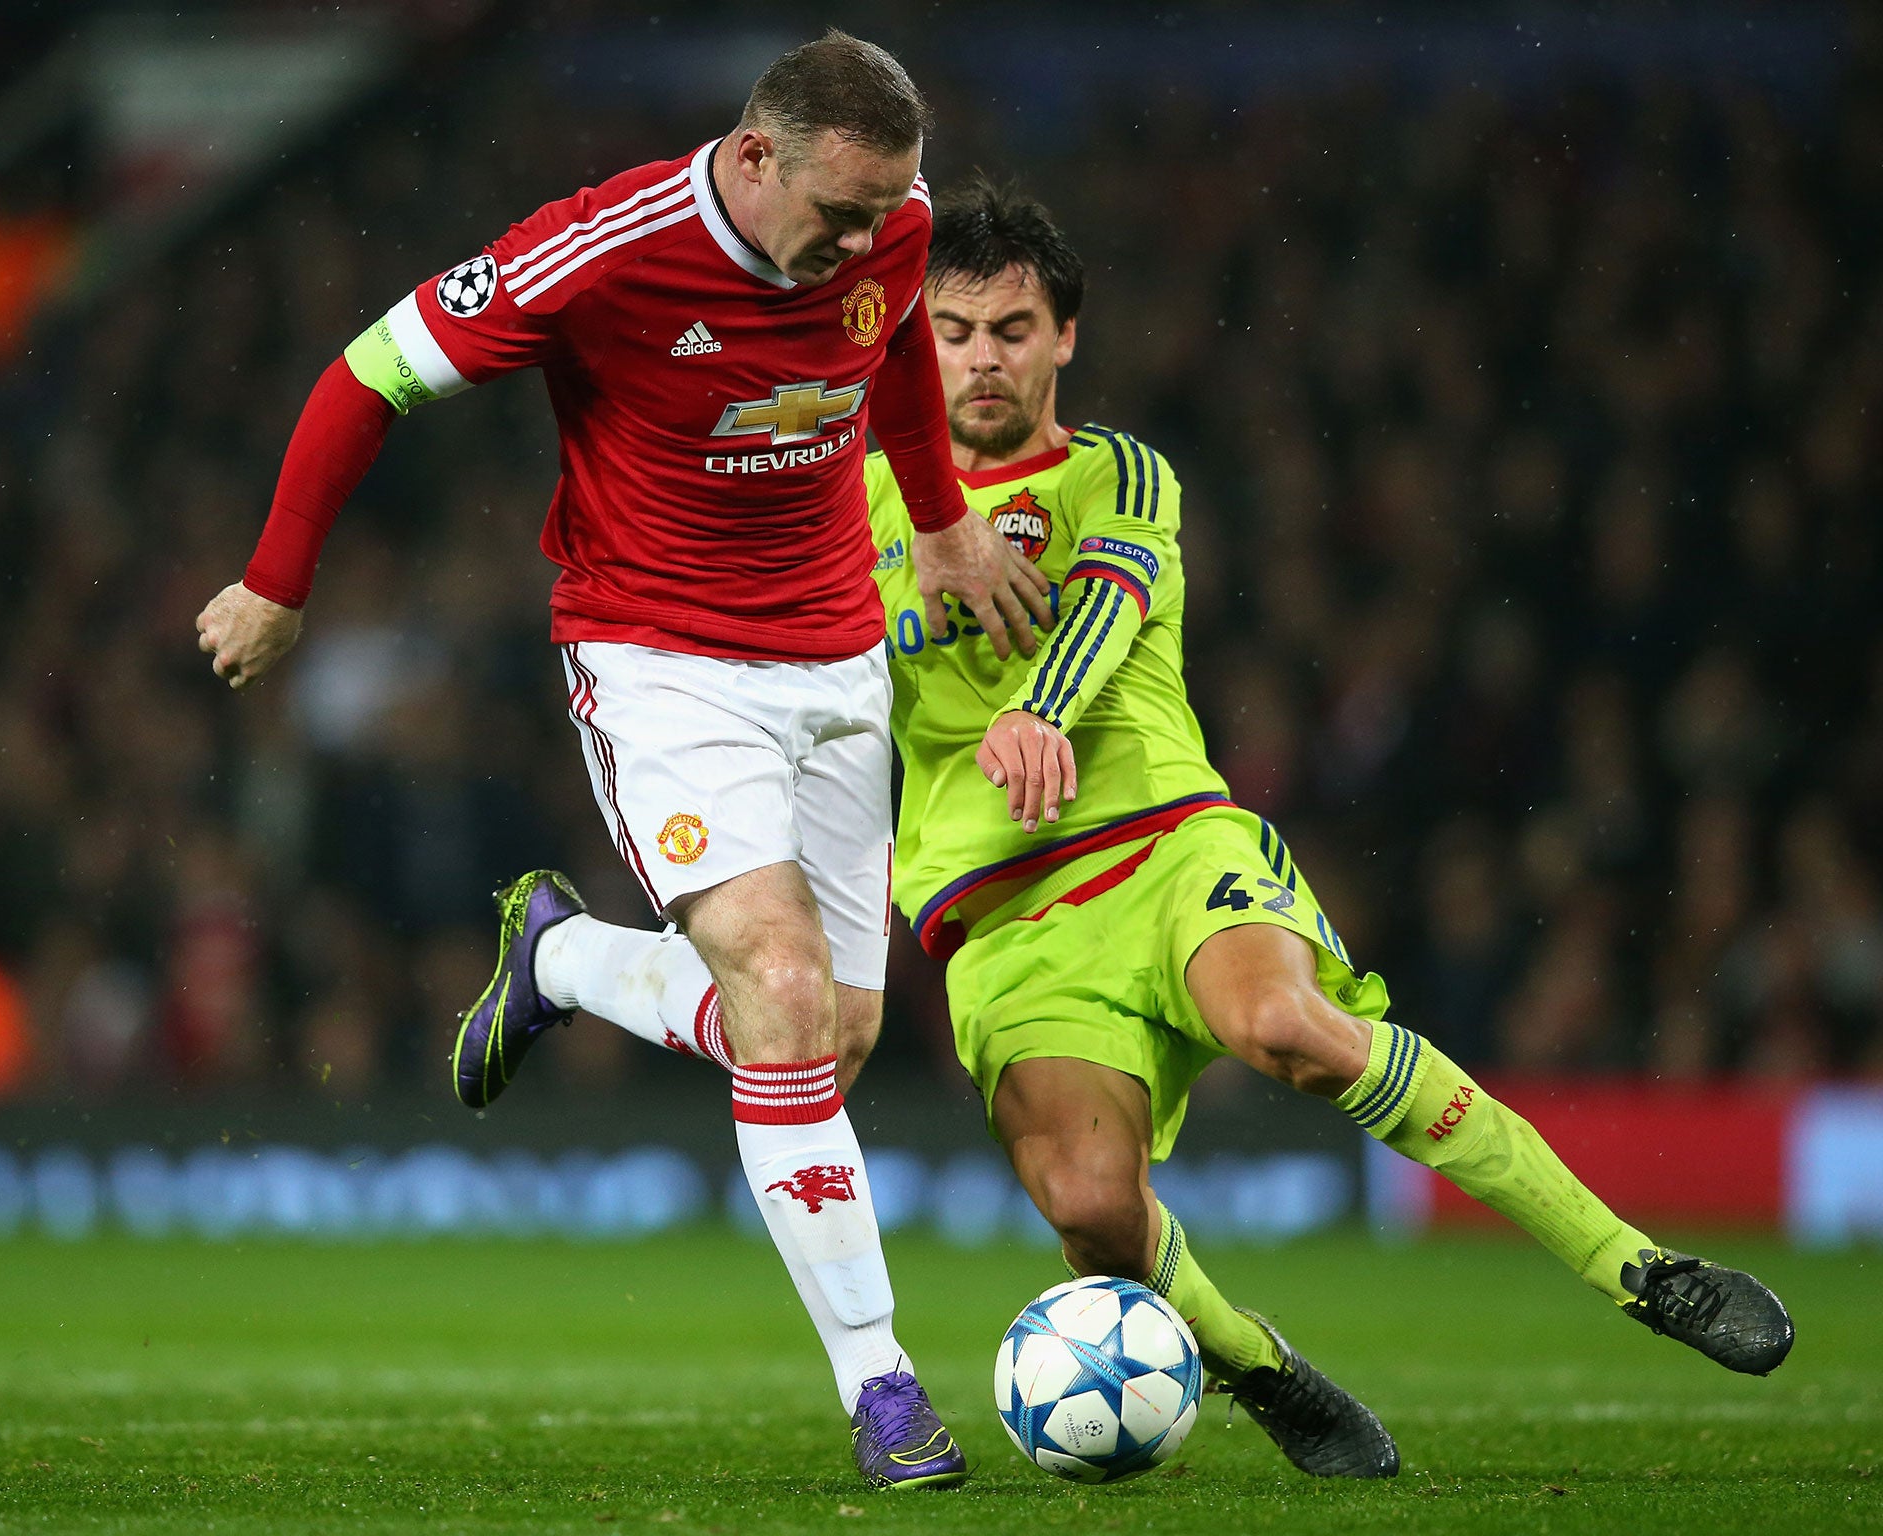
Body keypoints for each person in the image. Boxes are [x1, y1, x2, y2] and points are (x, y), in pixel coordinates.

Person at [478, 175, 1797, 1480]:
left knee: (1286, 1029)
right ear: (904, 342)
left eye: (1012, 329)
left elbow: (1107, 603)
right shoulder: (846, 506)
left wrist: (1041, 707)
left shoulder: (1124, 474)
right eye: (951, 332)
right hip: (995, 921)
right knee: (1099, 1217)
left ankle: (1641, 1268)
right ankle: (1266, 1371)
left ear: (1064, 336)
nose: (982, 360)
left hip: (1166, 849)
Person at [195, 32, 1058, 1492]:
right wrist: (279, 581)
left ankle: (570, 964)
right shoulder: (600, 252)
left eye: (884, 213)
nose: (870, 240)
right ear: (753, 156)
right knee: (781, 1001)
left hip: (839, 655)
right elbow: (368, 374)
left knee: (829, 1041)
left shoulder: (892, 227)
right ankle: (886, 1388)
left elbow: (899, 338)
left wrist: (946, 515)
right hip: (661, 659)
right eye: (841, 211)